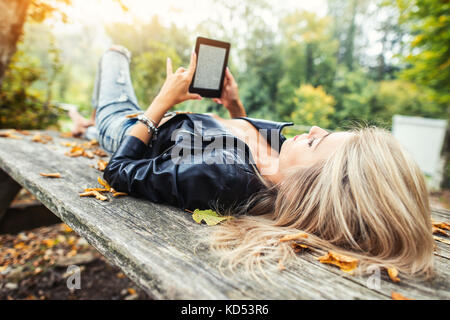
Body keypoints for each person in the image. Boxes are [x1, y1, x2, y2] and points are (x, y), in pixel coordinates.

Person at [71, 45, 434, 277]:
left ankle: (93, 124)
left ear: (304, 189)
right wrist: (234, 107)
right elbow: (237, 140)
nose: (313, 128)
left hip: (132, 128)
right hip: (167, 120)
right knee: (96, 119)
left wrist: (162, 101)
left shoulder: (222, 178)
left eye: (314, 142)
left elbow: (118, 172)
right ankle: (84, 125)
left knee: (114, 54)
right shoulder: (282, 164)